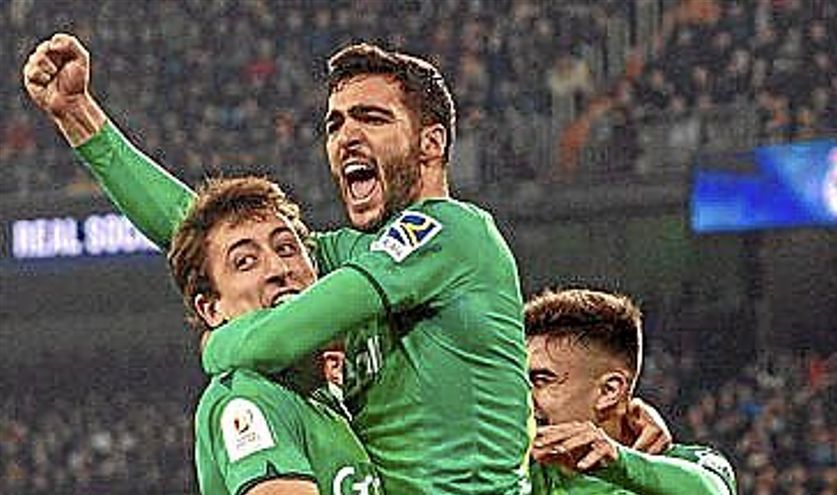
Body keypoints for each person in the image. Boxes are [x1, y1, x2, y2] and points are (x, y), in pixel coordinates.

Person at [24, 34, 531, 493]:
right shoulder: (353, 257)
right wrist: (79, 117)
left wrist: (219, 341)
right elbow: (208, 234)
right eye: (335, 124)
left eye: (372, 118)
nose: (347, 136)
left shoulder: (451, 232)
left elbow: (279, 337)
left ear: (431, 143)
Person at [168, 176, 382, 494]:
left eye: (286, 248)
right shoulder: (248, 395)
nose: (278, 269)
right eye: (245, 262)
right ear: (211, 309)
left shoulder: (328, 396)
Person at [524, 288, 738, 494]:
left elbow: (714, 490)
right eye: (521, 380)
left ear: (609, 391)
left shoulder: (683, 465)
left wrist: (621, 462)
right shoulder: (521, 470)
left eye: (542, 380)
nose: (525, 396)